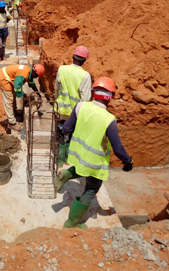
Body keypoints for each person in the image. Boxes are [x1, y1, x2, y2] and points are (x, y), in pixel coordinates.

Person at [54, 77, 133, 229]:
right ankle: (72, 223)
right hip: (94, 161)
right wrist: (127, 160)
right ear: (111, 97)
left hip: (77, 154)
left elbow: (66, 129)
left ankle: (68, 174)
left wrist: (61, 130)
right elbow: (117, 148)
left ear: (94, 92)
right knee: (91, 189)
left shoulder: (80, 106)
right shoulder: (109, 119)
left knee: (81, 168)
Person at [54, 46, 92, 166]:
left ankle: (59, 161)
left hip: (60, 109)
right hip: (74, 113)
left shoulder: (62, 69)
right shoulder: (85, 76)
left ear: (73, 56)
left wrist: (56, 100)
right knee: (71, 136)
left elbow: (56, 88)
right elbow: (85, 98)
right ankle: (68, 160)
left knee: (59, 134)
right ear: (84, 60)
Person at [0, 64, 44, 129]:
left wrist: (38, 93)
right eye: (37, 76)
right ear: (34, 72)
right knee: (9, 101)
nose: (36, 78)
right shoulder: (24, 74)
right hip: (3, 78)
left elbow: (32, 84)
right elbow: (17, 88)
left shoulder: (29, 72)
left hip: (8, 77)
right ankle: (11, 123)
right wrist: (24, 96)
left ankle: (14, 112)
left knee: (13, 96)